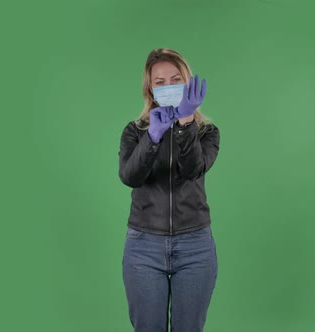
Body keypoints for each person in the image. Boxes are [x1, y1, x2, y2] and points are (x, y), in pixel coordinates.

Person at [118, 48, 220, 332]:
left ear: (188, 84)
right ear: (150, 88)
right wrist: (152, 137)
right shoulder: (134, 132)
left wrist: (186, 123)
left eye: (176, 79)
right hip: (144, 247)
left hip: (195, 247)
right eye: (160, 81)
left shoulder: (207, 133)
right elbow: (129, 176)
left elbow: (192, 170)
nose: (168, 86)